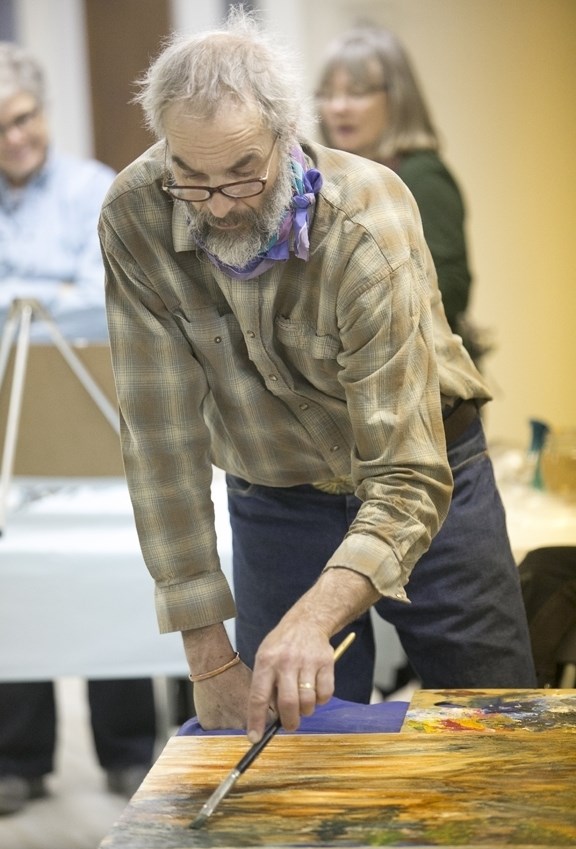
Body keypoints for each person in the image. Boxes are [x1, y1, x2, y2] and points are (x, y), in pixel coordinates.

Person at [98, 7, 536, 747]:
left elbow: (405, 474)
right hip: (275, 494)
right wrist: (208, 656)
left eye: (243, 173)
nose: (222, 204)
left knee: (497, 730)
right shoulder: (136, 217)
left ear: (286, 133)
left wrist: (309, 618)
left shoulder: (367, 216)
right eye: (191, 178)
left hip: (429, 480)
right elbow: (161, 447)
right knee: (284, 749)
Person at [0, 42, 156, 815]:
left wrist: (24, 295)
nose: (12, 139)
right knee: (15, 586)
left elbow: (111, 296)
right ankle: (19, 759)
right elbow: (60, 297)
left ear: (43, 111)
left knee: (107, 575)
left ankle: (129, 749)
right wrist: (49, 289)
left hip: (91, 417)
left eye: (22, 119)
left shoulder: (99, 191)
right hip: (10, 428)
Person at [315, 26, 489, 366]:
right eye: (327, 93)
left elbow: (452, 289)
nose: (338, 107)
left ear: (397, 97)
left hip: (428, 377)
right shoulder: (323, 180)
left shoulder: (422, 175)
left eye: (357, 92)